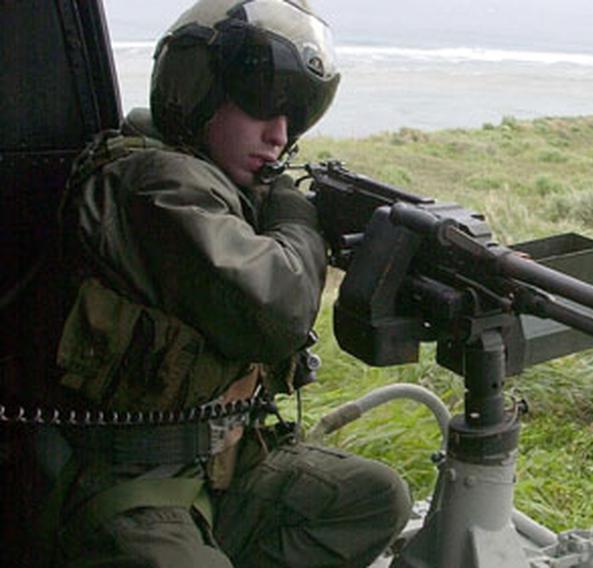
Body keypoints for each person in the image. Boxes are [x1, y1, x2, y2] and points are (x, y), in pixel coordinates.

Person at [48, 0, 411, 565]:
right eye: (261, 104)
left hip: (222, 465)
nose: (279, 134)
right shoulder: (157, 183)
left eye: (293, 116)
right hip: (129, 478)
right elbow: (277, 309)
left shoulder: (216, 183)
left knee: (371, 498)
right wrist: (297, 220)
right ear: (196, 89)